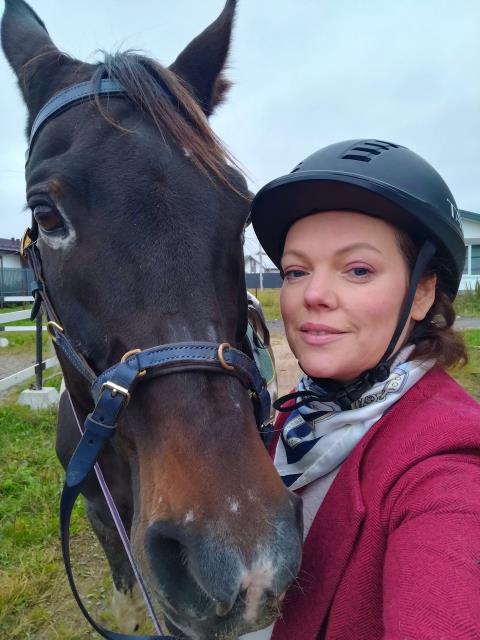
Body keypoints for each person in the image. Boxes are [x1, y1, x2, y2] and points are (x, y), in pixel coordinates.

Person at [248, 139, 480, 640]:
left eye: (358, 270)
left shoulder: (448, 462)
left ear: (422, 293)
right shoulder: (305, 413)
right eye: (296, 271)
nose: (313, 294)